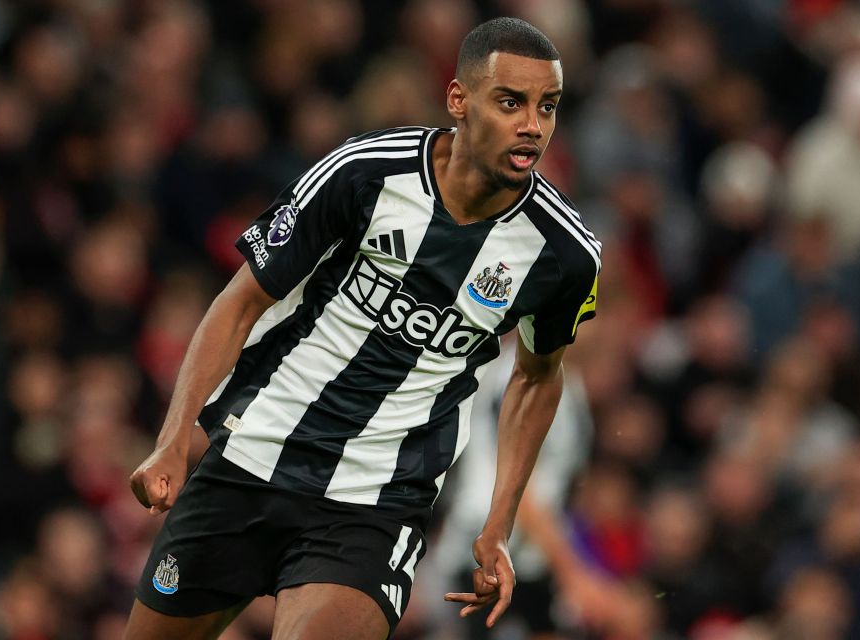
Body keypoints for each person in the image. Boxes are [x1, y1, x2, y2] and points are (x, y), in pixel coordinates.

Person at [123, 17, 600, 640]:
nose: (532, 125)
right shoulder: (364, 173)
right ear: (459, 99)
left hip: (377, 503)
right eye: (511, 102)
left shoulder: (563, 254)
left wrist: (498, 525)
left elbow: (538, 378)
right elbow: (239, 302)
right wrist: (172, 437)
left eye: (548, 106)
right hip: (253, 455)